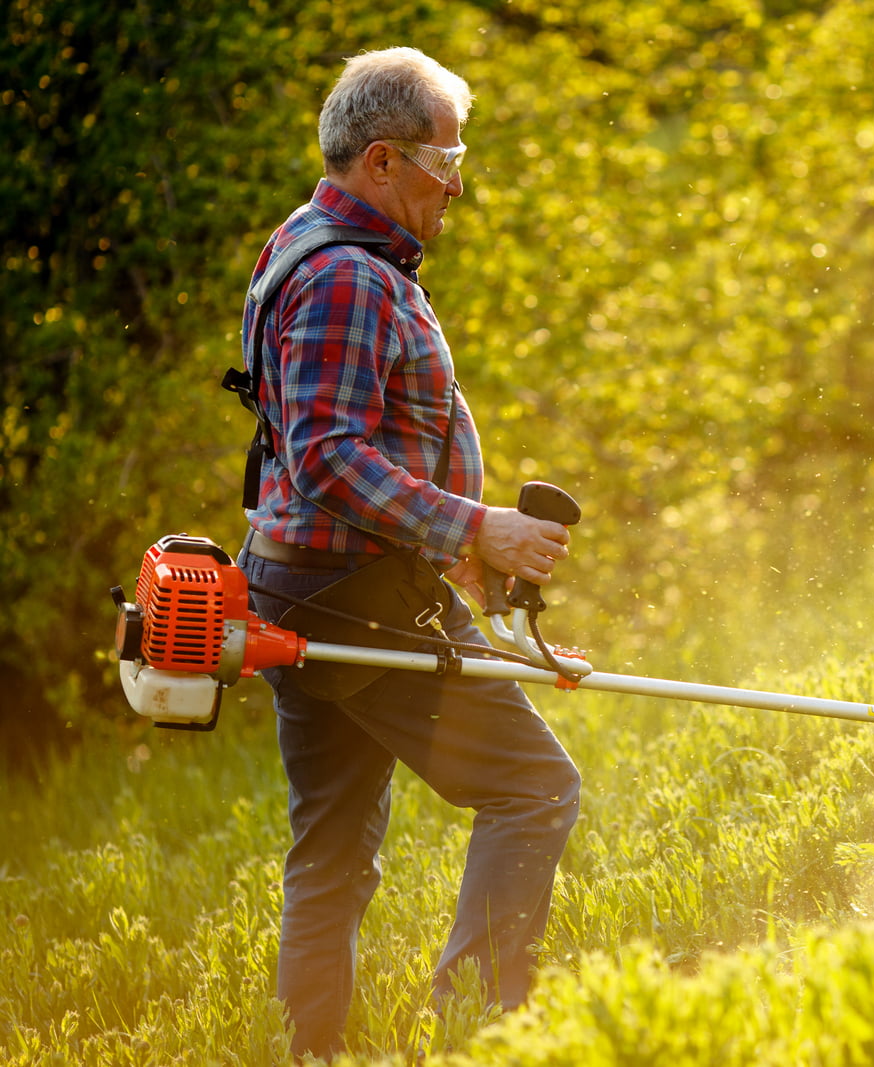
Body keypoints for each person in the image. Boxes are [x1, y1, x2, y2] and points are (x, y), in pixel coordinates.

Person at [235, 47, 581, 1061]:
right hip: (354, 595)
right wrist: (477, 525)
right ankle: (481, 1035)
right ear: (381, 160)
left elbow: (350, 447)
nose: (458, 179)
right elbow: (329, 457)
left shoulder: (309, 243)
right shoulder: (345, 274)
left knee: (332, 848)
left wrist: (459, 560)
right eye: (446, 155)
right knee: (533, 787)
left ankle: (315, 1052)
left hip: (308, 585)